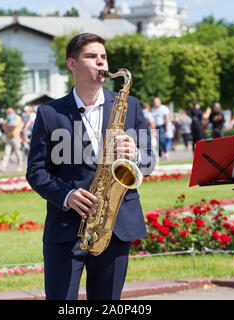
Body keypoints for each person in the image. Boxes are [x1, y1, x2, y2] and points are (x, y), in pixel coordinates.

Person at [26, 32, 153, 300]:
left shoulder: (130, 106)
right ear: (72, 64)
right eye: (92, 57)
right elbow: (36, 171)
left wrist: (136, 154)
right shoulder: (49, 113)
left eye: (104, 57)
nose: (102, 64)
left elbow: (150, 159)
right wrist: (67, 195)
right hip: (66, 228)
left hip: (115, 226)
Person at [0, 107, 23, 172]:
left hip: (15, 137)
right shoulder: (8, 118)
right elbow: (2, 126)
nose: (8, 113)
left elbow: (14, 125)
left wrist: (6, 125)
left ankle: (19, 166)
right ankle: (2, 166)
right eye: (7, 112)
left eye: (9, 112)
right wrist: (7, 125)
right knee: (6, 153)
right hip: (8, 137)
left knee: (17, 152)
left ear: (13, 112)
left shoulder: (17, 117)